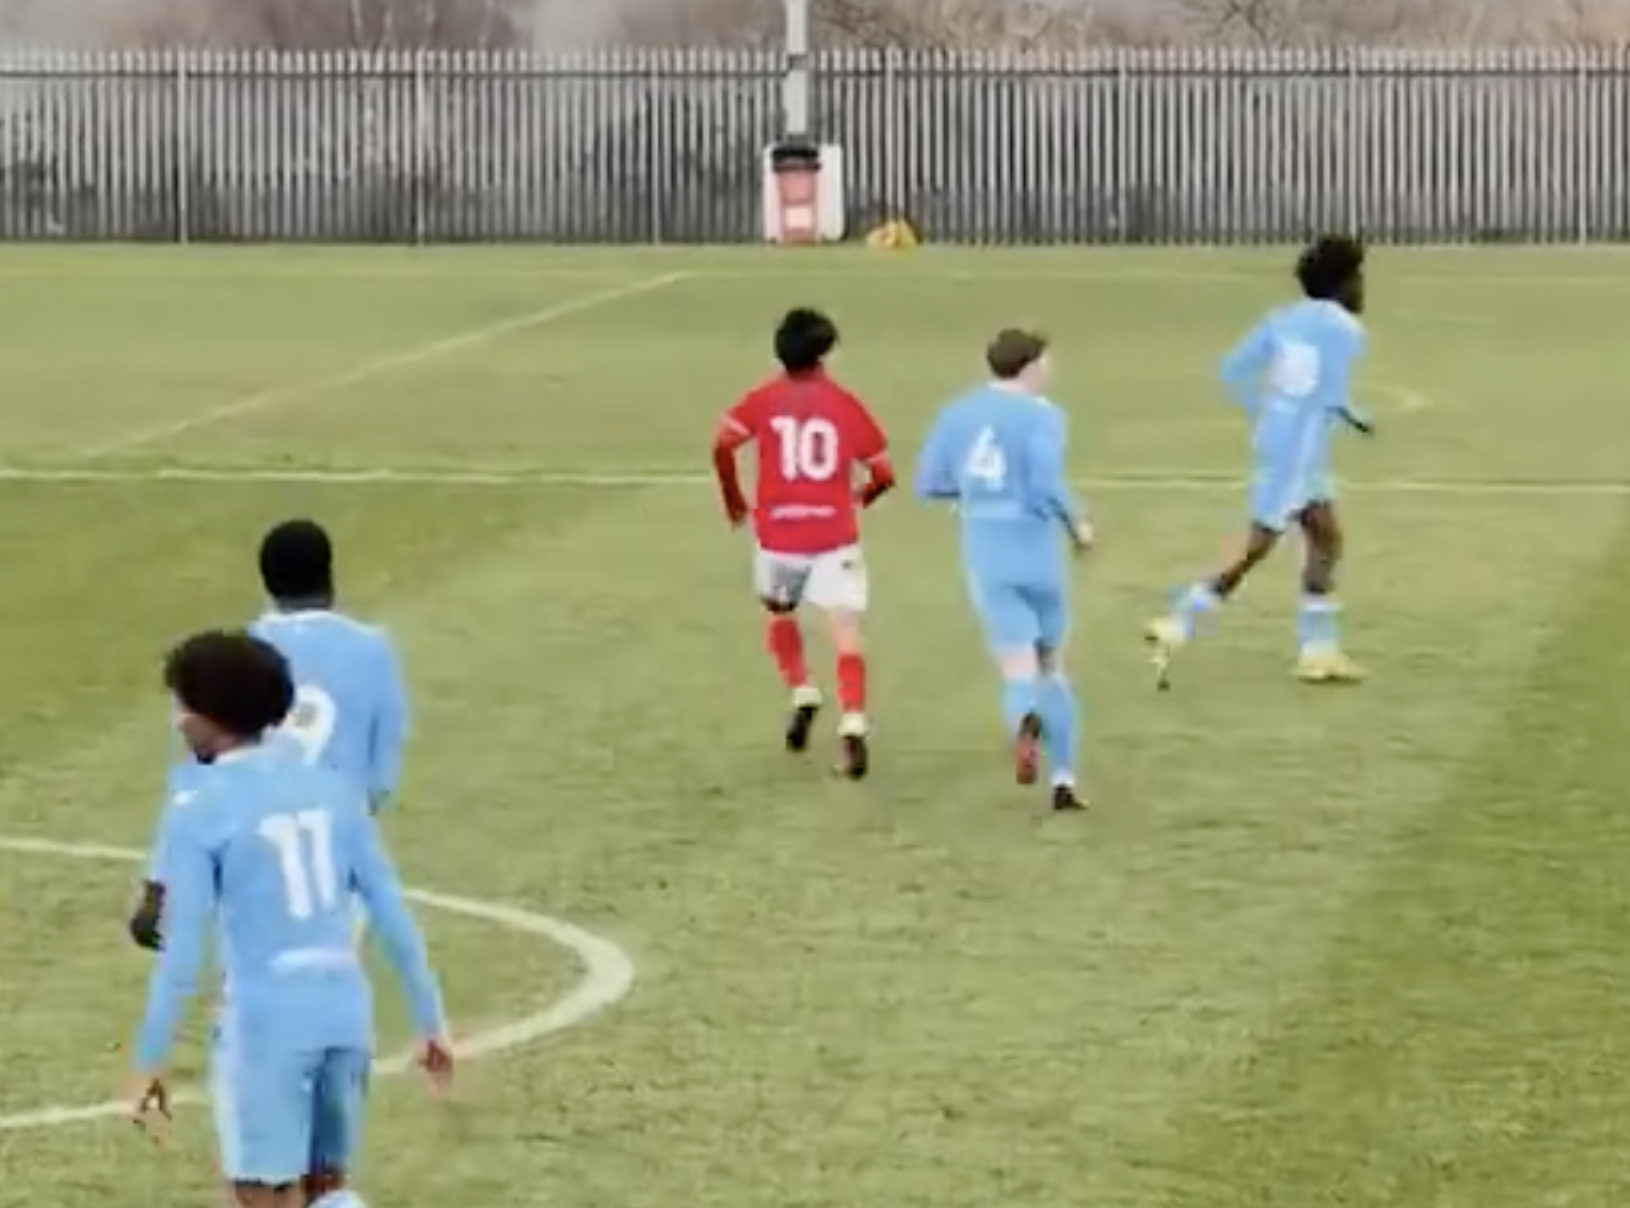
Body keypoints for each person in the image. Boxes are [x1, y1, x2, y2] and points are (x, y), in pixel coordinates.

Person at [126, 629, 451, 1208]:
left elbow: (183, 948)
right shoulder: (333, 790)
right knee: (327, 1188)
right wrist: (431, 1021)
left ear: (208, 717)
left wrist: (152, 1058)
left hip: (265, 1025)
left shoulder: (198, 807)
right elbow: (389, 908)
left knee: (265, 1193)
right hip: (345, 1014)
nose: (176, 721)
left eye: (181, 707)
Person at [130, 520, 408, 950]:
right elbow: (381, 776)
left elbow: (196, 781)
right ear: (329, 574)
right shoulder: (374, 651)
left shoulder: (233, 658)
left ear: (265, 580)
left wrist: (158, 886)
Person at [1144, 234, 1372, 688]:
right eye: (1358, 277)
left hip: (1282, 443)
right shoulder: (1346, 330)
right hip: (1299, 454)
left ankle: (1318, 652)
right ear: (1343, 283)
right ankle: (1180, 619)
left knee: (1326, 537)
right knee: (1257, 547)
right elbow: (1328, 389)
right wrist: (1347, 412)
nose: (1362, 287)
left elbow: (1233, 370)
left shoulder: (1281, 319)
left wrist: (1268, 410)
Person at [712, 307, 895, 779]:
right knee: (845, 629)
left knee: (779, 612)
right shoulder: (844, 403)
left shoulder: (764, 399)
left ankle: (802, 690)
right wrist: (859, 498)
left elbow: (722, 443)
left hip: (778, 537)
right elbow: (884, 472)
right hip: (834, 536)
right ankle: (852, 723)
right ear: (824, 355)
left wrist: (734, 500)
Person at [914, 329, 1092, 812]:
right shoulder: (1045, 415)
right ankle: (1064, 779)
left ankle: (1024, 718)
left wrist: (974, 496)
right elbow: (1045, 482)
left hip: (988, 551)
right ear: (1030, 367)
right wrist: (1078, 524)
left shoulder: (956, 414)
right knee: (1052, 666)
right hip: (1037, 551)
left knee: (1017, 668)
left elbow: (929, 483)